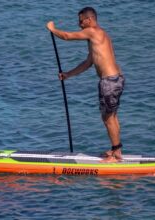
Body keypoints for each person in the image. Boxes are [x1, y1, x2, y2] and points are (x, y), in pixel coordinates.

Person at [47, 7, 125, 162]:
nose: (79, 24)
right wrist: (68, 74)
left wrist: (52, 29)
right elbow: (88, 62)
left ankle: (116, 155)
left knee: (108, 118)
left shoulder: (93, 31)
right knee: (112, 116)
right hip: (117, 78)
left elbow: (68, 36)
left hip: (109, 81)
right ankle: (116, 150)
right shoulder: (99, 36)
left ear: (89, 20)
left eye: (81, 21)